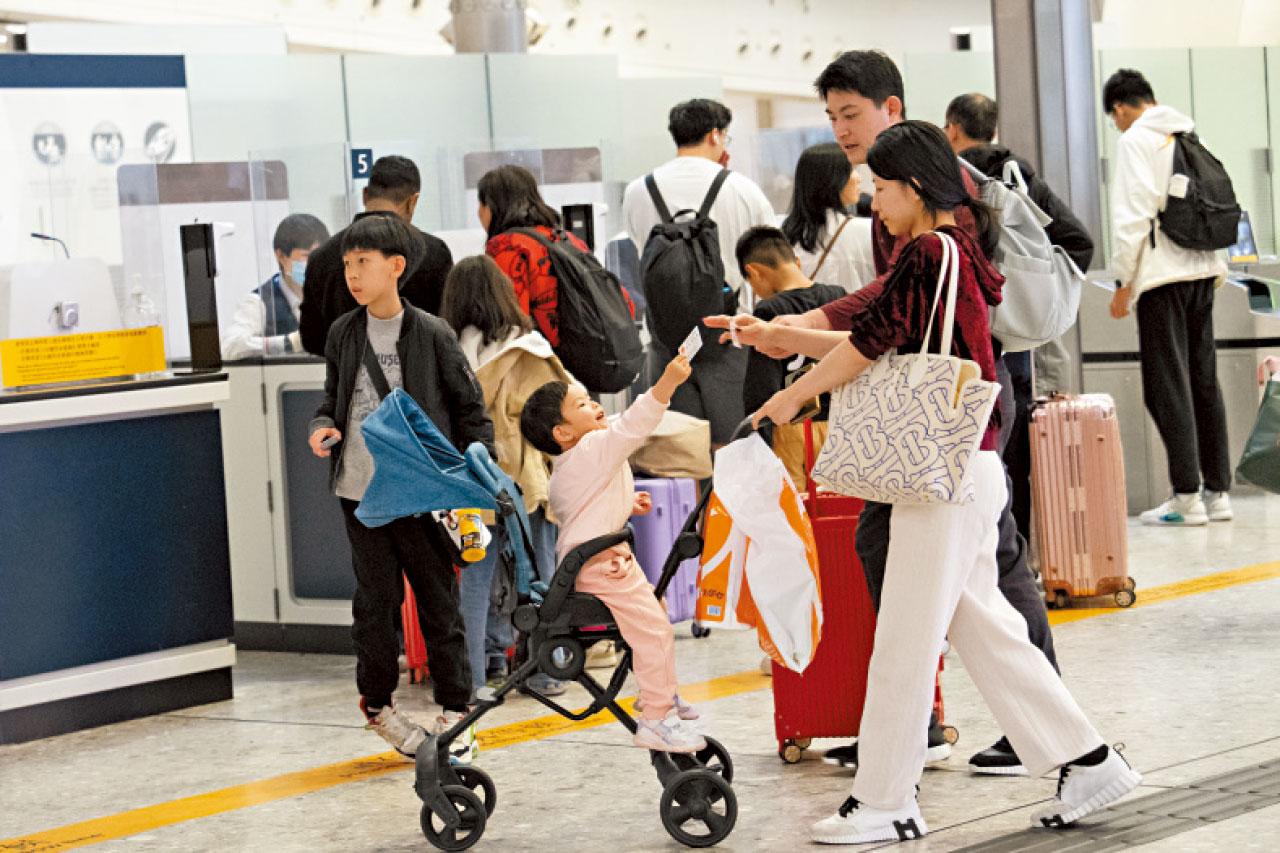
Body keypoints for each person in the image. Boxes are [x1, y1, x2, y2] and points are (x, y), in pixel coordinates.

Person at [727, 120, 1140, 845]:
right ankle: (1089, 760)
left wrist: (791, 395)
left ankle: (886, 799)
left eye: (883, 188)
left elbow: (868, 345)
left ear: (916, 187)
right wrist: (784, 336)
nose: (876, 202)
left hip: (938, 474)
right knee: (986, 630)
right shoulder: (955, 250)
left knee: (906, 639)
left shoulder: (928, 251)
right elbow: (883, 333)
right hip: (965, 465)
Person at [710, 49, 1062, 783]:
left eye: (851, 114)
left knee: (976, 578)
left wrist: (792, 378)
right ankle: (1049, 743)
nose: (840, 130)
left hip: (953, 413)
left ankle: (929, 762)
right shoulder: (910, 215)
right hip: (935, 415)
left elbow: (881, 328)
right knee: (948, 581)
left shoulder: (938, 220)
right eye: (832, 116)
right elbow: (884, 311)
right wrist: (792, 331)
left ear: (891, 110)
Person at [308, 215, 493, 759]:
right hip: (361, 493)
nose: (352, 274)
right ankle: (378, 705)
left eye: (363, 263)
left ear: (396, 267)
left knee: (438, 602)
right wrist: (323, 427)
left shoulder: (432, 333)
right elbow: (331, 399)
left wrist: (474, 472)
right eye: (347, 264)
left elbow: (470, 409)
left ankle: (457, 712)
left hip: (421, 493)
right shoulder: (343, 333)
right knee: (375, 604)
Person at [519, 353, 707, 753]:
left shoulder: (574, 461)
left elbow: (584, 505)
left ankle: (658, 691)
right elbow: (634, 424)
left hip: (597, 564)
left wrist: (625, 502)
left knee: (655, 614)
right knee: (654, 632)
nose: (594, 405)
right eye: (581, 404)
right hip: (605, 567)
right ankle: (656, 719)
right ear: (563, 432)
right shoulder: (592, 449)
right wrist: (667, 383)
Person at [944, 91, 1097, 542]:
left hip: (977, 337)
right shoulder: (1021, 177)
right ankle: (1020, 544)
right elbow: (1079, 242)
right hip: (1022, 337)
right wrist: (1045, 289)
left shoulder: (954, 181)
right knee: (1019, 442)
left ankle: (994, 546)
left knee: (986, 447)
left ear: (952, 129)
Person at [1103, 68, 1232, 526]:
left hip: (1161, 278)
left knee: (1167, 386)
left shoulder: (1136, 140)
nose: (1117, 125)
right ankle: (1217, 492)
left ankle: (1186, 497)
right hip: (1204, 270)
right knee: (1203, 380)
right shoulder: (1188, 133)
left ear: (1121, 108)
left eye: (1114, 118)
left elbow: (1133, 214)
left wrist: (1123, 281)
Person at [439, 254, 572, 697]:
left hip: (470, 479)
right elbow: (559, 410)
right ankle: (544, 671)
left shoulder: (447, 349)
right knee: (540, 574)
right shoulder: (528, 351)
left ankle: (475, 676)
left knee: (477, 581)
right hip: (523, 481)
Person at [622, 98, 776, 447]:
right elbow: (768, 255)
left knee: (677, 449)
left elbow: (638, 247)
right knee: (736, 445)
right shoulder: (742, 189)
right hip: (729, 334)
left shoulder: (638, 191)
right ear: (715, 135)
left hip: (665, 337)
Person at [299, 155, 454, 355]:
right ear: (412, 201)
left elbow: (311, 339)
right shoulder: (433, 253)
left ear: (365, 195)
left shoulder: (321, 257)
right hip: (418, 373)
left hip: (347, 373)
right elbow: (448, 328)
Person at [736, 225, 846, 485]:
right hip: (840, 424)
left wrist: (757, 430)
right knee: (839, 500)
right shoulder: (838, 297)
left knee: (795, 504)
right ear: (796, 262)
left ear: (754, 271)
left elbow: (761, 385)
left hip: (792, 429)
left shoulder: (769, 311)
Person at [479, 164, 625, 348]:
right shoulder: (568, 239)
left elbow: (511, 325)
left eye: (481, 204)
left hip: (545, 358)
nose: (479, 212)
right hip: (593, 352)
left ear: (492, 206)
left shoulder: (505, 247)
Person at [222, 213, 330, 359]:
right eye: (306, 256)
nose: (315, 263)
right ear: (281, 256)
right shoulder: (260, 301)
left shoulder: (332, 295)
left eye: (320, 255)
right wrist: (289, 343)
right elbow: (229, 346)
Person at [780, 142, 876, 293]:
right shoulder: (865, 231)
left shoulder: (784, 237)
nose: (858, 178)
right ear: (832, 180)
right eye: (851, 170)